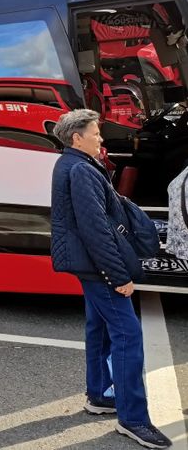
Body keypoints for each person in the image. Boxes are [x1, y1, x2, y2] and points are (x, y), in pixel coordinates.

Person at [50, 109, 171, 449]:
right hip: (97, 266)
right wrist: (117, 275)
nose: (100, 138)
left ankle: (100, 394)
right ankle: (133, 419)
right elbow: (95, 229)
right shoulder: (81, 170)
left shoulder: (71, 164)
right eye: (95, 133)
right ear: (77, 138)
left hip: (87, 265)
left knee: (99, 328)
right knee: (128, 336)